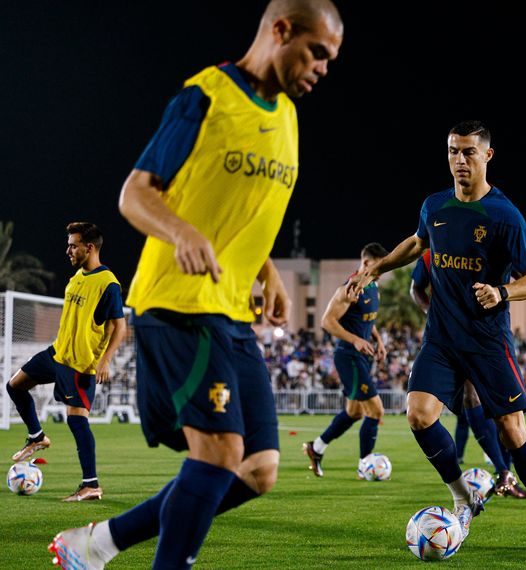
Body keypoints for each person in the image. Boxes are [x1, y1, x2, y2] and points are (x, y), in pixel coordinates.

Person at [49, 1, 343, 568]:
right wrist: (179, 231)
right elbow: (135, 193)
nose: (323, 68)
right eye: (318, 53)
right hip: (177, 304)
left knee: (257, 470)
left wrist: (269, 273)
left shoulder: (286, 117)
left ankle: (98, 543)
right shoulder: (205, 96)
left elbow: (243, 213)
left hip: (230, 314)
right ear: (281, 30)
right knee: (218, 455)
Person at [351, 120, 526, 555]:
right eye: (453, 151)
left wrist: (503, 291)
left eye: (469, 152)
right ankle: (461, 496)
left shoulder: (504, 215)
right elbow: (415, 245)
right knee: (418, 413)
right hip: (442, 340)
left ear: (487, 156)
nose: (459, 160)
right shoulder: (435, 205)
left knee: (513, 431)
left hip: (488, 343)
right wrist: (376, 268)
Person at [411, 249, 526, 499]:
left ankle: (505, 475)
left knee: (506, 419)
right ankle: (501, 475)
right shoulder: (432, 248)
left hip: (489, 337)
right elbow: (416, 288)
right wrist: (433, 313)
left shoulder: (488, 240)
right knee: (468, 399)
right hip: (451, 338)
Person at [7, 222, 126, 502]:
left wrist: (106, 361)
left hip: (79, 365)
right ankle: (37, 437)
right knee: (14, 386)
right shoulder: (76, 277)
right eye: (69, 244)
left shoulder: (108, 284)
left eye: (73, 245)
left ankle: (91, 485)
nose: (68, 250)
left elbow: (119, 326)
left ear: (90, 247)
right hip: (57, 354)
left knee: (77, 421)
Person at [303, 243, 389, 477]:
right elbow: (327, 321)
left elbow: (367, 320)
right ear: (367, 263)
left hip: (362, 356)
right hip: (349, 356)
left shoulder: (372, 285)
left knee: (354, 413)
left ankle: (316, 448)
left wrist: (378, 340)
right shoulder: (349, 288)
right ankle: (365, 465)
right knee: (375, 411)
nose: (382, 271)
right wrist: (355, 341)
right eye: (380, 266)